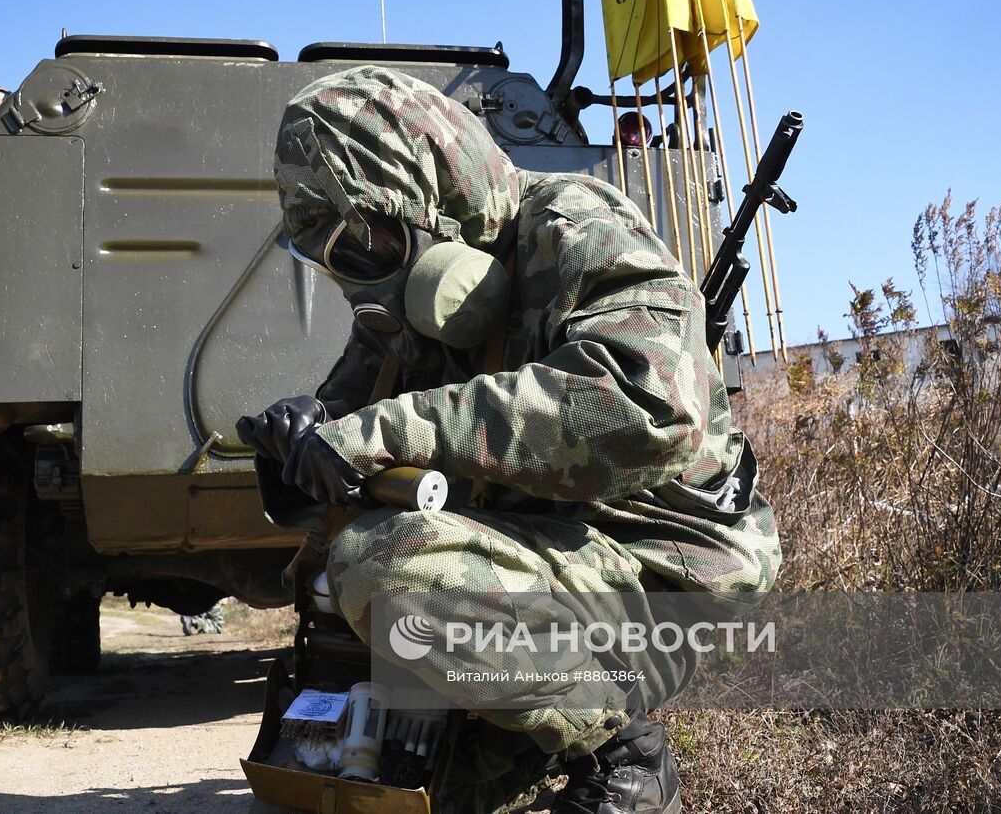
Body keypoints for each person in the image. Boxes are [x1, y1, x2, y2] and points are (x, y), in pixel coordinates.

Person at [237, 65, 780, 814]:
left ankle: (625, 758)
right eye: (325, 255)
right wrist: (303, 445)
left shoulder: (574, 225)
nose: (353, 278)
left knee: (383, 562)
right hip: (549, 568)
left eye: (362, 243)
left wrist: (392, 428)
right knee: (408, 784)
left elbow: (651, 411)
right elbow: (348, 429)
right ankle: (542, 730)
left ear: (436, 199)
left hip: (670, 571)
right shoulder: (406, 313)